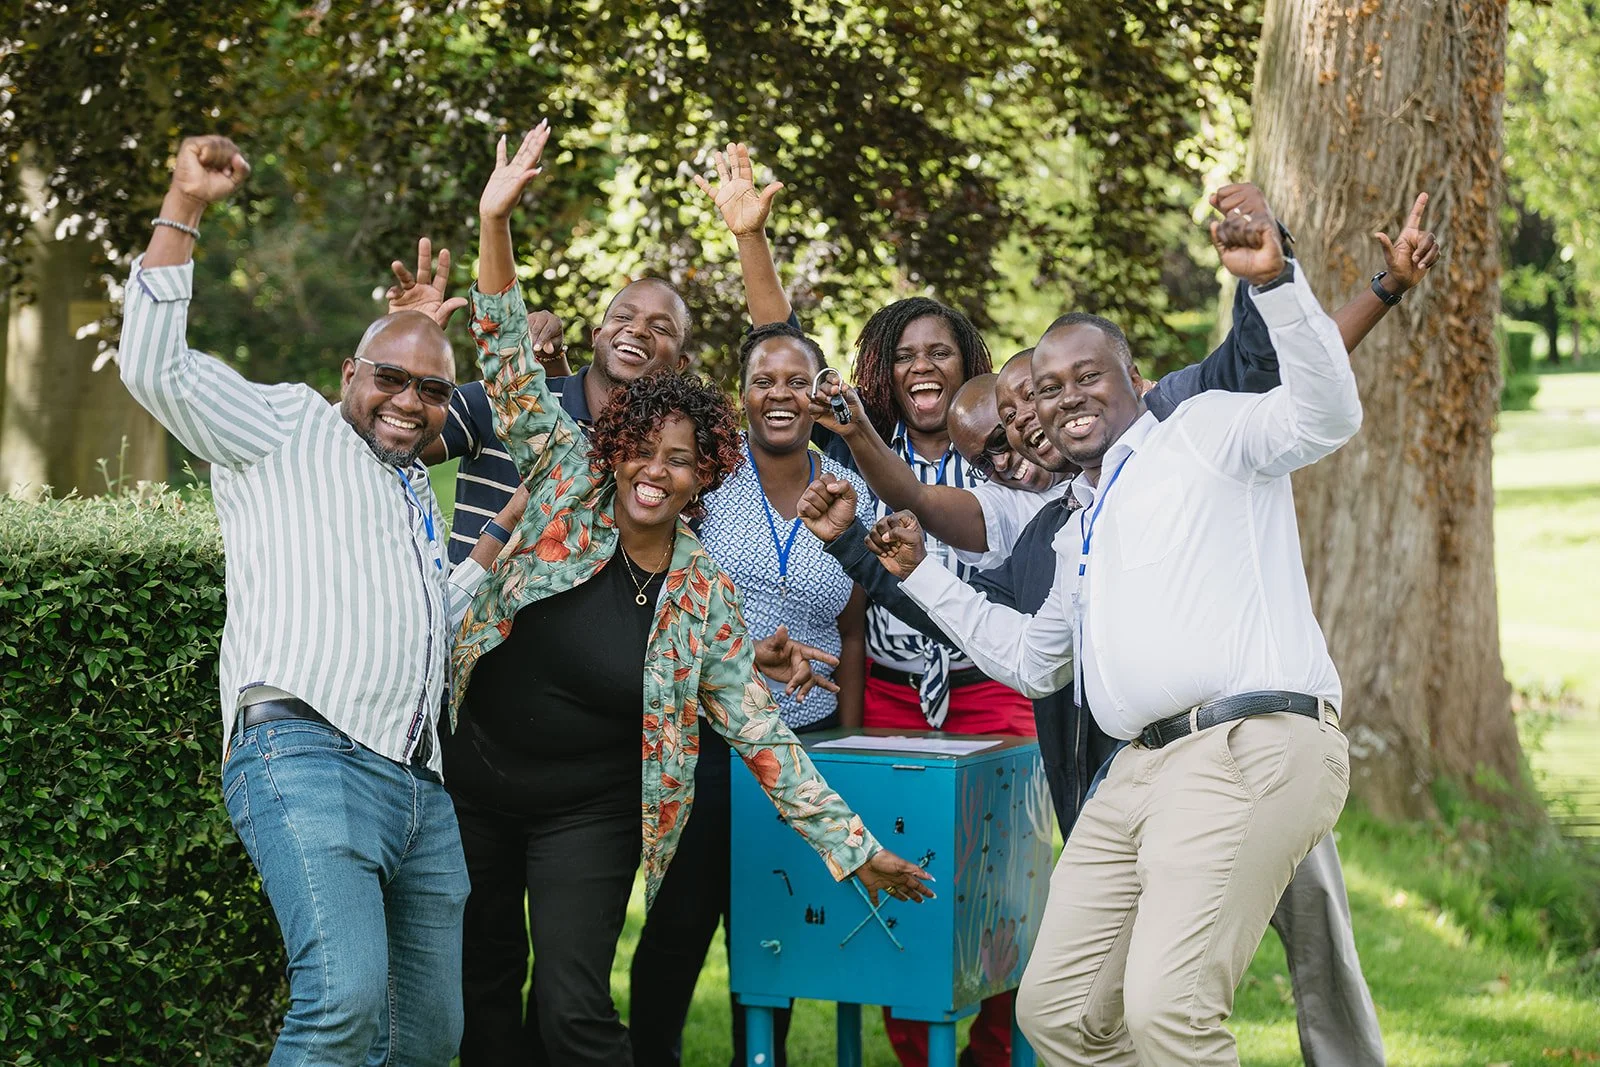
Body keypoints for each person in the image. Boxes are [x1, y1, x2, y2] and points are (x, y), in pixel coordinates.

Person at [876, 200, 1424, 1065]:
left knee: (1169, 1010)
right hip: (1135, 773)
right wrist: (917, 573)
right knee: (1056, 1011)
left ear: (1132, 375)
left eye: (1085, 376)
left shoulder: (1201, 431)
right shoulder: (1078, 521)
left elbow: (1325, 414)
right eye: (1049, 391)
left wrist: (1277, 283)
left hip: (1246, 739)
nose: (1065, 400)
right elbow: (1032, 657)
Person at [446, 123, 932, 1066]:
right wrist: (493, 221)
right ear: (614, 446)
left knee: (577, 1013)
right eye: (642, 451)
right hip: (478, 779)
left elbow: (761, 733)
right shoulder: (563, 479)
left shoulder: (700, 590)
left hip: (590, 807)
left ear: (709, 474)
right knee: (484, 985)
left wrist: (853, 846)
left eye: (681, 460)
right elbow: (505, 353)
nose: (656, 474)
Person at [118, 136, 505, 1065]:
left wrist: (493, 544)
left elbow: (426, 628)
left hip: (420, 785)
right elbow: (154, 369)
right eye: (390, 378)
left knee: (427, 1036)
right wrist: (186, 205)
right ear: (349, 377)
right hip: (306, 749)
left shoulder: (412, 490)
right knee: (341, 1001)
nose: (411, 401)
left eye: (431, 388)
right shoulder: (288, 426)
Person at [630, 144, 876, 1067]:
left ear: (822, 397)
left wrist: (847, 749)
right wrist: (750, 240)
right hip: (705, 736)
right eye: (762, 380)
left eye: (797, 380)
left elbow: (852, 631)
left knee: (769, 936)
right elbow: (772, 327)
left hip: (806, 742)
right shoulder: (714, 469)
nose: (780, 391)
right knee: (680, 924)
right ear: (741, 398)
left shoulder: (853, 487)